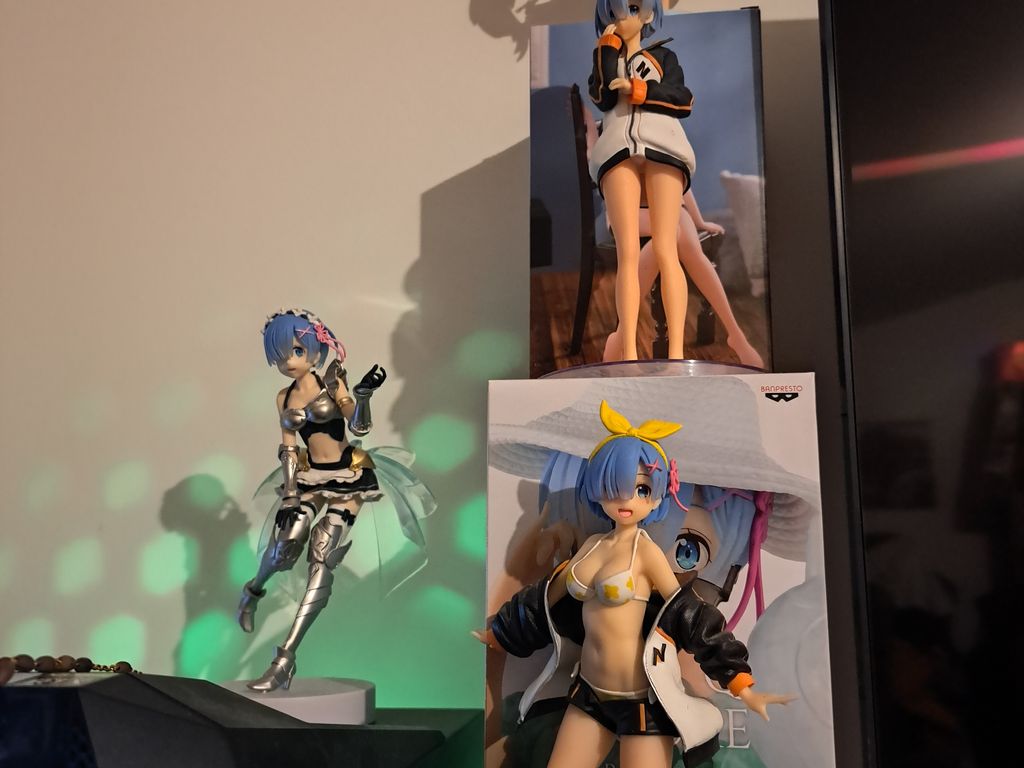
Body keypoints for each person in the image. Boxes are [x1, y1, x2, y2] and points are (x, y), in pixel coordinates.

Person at [480, 402, 792, 768]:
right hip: (589, 695)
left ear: (657, 495)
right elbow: (546, 600)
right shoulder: (592, 547)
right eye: (614, 488)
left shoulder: (645, 553)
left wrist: (738, 681)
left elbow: (687, 613)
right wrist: (501, 633)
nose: (626, 500)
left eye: (641, 489)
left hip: (643, 702)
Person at [235, 308, 389, 692]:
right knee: (284, 545)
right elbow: (288, 448)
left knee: (322, 556)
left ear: (315, 349)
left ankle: (284, 659)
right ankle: (253, 591)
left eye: (297, 351)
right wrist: (290, 494)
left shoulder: (333, 382)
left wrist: (362, 397)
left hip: (348, 476)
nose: (289, 361)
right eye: (282, 355)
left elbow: (359, 425)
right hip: (307, 478)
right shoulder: (283, 397)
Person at [589, 0, 694, 361]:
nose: (623, 18)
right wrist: (607, 51)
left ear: (649, 13)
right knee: (628, 254)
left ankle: (676, 353)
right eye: (615, 11)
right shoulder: (604, 59)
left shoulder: (663, 57)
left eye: (633, 8)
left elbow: (683, 99)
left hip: (664, 148)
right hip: (617, 151)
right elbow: (601, 96)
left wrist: (640, 90)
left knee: (666, 248)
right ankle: (629, 354)